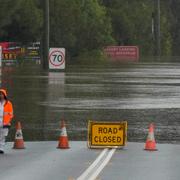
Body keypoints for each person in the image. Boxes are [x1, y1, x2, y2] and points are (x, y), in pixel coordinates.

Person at [0, 89, 13, 154]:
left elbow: (11, 114)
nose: (0, 95)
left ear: (4, 95)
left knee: (3, 135)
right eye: (0, 94)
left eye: (2, 94)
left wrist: (8, 121)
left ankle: (1, 148)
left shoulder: (8, 103)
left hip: (5, 121)